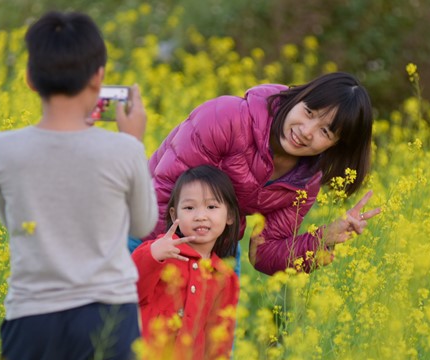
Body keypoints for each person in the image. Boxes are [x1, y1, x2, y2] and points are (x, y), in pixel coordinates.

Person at [0, 11, 157, 360]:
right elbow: (143, 225)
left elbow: (14, 223)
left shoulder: (2, 148)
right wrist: (132, 143)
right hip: (107, 319)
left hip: (32, 317)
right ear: (99, 78)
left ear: (28, 77)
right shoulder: (122, 149)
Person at [145, 72, 382, 275]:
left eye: (325, 132)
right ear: (298, 97)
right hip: (147, 227)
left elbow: (264, 253)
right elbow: (164, 194)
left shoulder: (305, 181)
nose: (307, 132)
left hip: (214, 243)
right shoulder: (226, 118)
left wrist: (322, 239)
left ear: (335, 146)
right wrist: (174, 265)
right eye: (309, 112)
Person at [132, 165, 240, 360]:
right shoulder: (160, 255)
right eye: (189, 208)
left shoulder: (225, 279)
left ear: (230, 215)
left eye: (212, 207)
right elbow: (129, 294)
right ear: (174, 214)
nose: (200, 216)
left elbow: (218, 344)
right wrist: (152, 254)